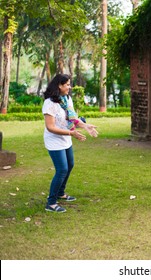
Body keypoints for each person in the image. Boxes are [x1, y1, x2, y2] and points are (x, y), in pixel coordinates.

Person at [42, 74, 98, 213]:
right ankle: (51, 203)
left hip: (66, 138)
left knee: (70, 165)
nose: (69, 87)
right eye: (67, 84)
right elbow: (50, 127)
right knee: (62, 170)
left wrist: (86, 126)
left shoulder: (67, 99)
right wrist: (71, 133)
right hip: (54, 139)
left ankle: (61, 193)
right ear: (59, 86)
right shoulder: (50, 103)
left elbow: (72, 119)